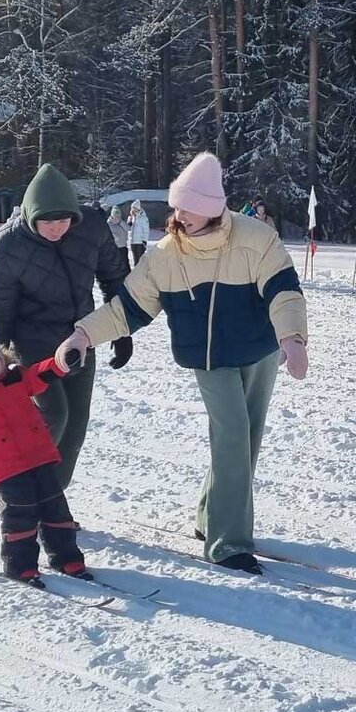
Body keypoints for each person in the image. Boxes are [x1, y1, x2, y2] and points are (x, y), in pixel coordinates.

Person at [54, 152, 309, 573]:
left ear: (212, 208)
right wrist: (83, 334)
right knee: (231, 435)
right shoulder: (165, 255)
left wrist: (292, 337)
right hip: (209, 359)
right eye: (176, 205)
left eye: (187, 208)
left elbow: (284, 290)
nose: (178, 215)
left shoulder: (256, 238)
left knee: (247, 438)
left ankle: (210, 516)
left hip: (260, 350)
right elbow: (127, 309)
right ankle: (228, 543)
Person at [0, 163, 130, 491]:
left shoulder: (91, 227)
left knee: (76, 425)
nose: (56, 229)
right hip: (32, 344)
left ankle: (52, 503)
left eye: (63, 221)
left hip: (81, 338)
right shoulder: (8, 245)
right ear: (32, 216)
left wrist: (122, 331)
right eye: (47, 222)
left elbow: (115, 277)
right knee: (53, 417)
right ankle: (19, 494)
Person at [0, 315, 88, 585]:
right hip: (8, 470)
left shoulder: (16, 378)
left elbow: (40, 374)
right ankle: (19, 565)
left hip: (40, 457)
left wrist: (60, 363)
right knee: (21, 514)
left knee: (56, 507)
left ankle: (66, 557)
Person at [107, 205, 130, 271]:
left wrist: (120, 222)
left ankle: (128, 277)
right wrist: (114, 237)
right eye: (116, 216)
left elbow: (128, 229)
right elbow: (108, 235)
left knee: (125, 263)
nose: (117, 217)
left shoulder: (121, 222)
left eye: (118, 216)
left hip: (123, 246)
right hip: (115, 248)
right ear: (112, 216)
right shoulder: (108, 224)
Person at [128, 199, 150, 265]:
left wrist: (144, 241)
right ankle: (136, 274)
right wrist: (129, 223)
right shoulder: (132, 217)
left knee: (140, 261)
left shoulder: (143, 218)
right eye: (132, 208)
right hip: (133, 242)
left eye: (134, 208)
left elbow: (146, 230)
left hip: (140, 242)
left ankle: (141, 273)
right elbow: (130, 230)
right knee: (135, 261)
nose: (133, 210)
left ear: (138, 208)